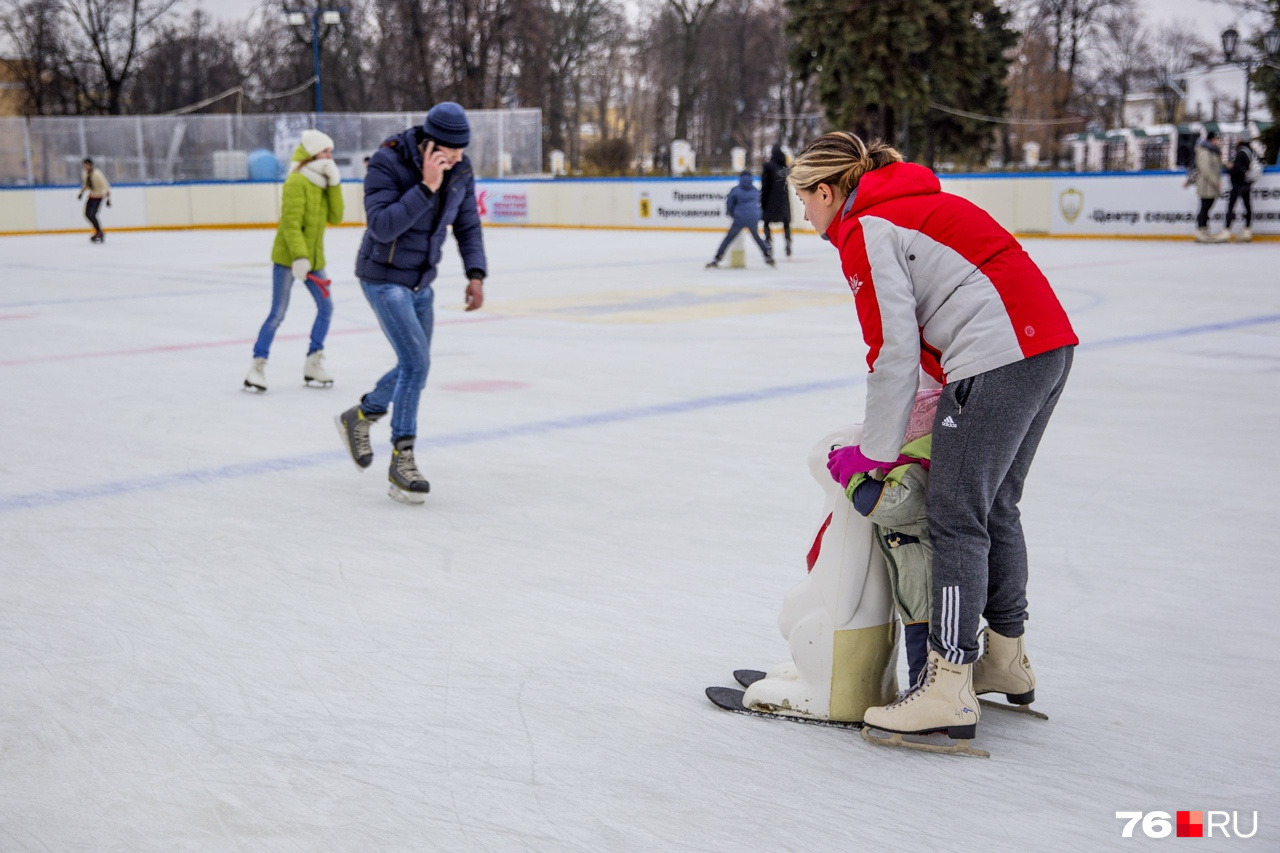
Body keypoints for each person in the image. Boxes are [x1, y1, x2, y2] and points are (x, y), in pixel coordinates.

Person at [787, 131, 1077, 752]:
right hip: (1046, 346)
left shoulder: (867, 227)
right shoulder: (909, 206)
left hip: (997, 355)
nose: (805, 216)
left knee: (953, 514)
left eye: (804, 200)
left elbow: (890, 349)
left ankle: (947, 683)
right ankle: (1004, 657)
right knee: (996, 504)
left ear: (826, 190)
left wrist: (876, 452)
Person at [334, 102, 486, 505]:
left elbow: (468, 223)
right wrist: (426, 187)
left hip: (422, 282)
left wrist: (476, 273)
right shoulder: (387, 162)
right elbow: (382, 227)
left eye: (461, 153)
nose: (457, 159)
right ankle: (403, 460)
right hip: (383, 278)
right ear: (429, 144)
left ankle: (362, 415)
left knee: (412, 365)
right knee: (416, 364)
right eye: (450, 152)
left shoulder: (461, 170)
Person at [846, 388, 941, 688]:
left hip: (924, 594)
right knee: (925, 647)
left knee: (923, 650)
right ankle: (927, 692)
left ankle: (924, 696)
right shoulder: (916, 468)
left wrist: (851, 477)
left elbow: (884, 506)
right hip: (918, 587)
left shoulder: (916, 475)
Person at [244, 129, 344, 392]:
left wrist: (334, 184)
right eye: (326, 152)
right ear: (313, 154)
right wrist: (299, 258)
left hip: (314, 259)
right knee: (278, 313)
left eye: (331, 153)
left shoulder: (323, 182)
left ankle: (313, 363)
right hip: (289, 258)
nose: (330, 157)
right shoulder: (296, 181)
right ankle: (257, 366)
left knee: (326, 308)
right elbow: (290, 225)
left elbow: (337, 216)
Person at [706, 171, 775, 268]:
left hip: (740, 217)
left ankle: (717, 258)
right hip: (753, 217)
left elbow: (729, 204)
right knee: (756, 237)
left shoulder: (735, 190)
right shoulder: (755, 190)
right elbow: (758, 203)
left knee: (729, 238)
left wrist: (732, 214)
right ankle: (767, 256)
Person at [1188, 131, 1229, 243]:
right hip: (1206, 185)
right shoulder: (1204, 151)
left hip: (1211, 185)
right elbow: (1205, 168)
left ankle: (1204, 229)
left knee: (1208, 207)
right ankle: (1201, 230)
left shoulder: (1214, 152)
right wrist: (1215, 181)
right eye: (1216, 139)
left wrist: (1226, 164)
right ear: (1212, 139)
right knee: (1204, 207)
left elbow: (1217, 165)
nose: (1218, 142)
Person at [760, 145, 792, 257]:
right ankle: (788, 242)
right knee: (786, 222)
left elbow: (765, 185)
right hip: (783, 199)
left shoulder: (768, 166)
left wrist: (762, 200)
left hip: (770, 199)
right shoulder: (784, 167)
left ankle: (768, 242)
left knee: (766, 222)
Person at [1224, 137, 1258, 242]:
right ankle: (1247, 230)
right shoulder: (1250, 151)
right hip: (1246, 183)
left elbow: (1237, 170)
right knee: (1247, 206)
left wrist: (1229, 168)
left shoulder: (1241, 152)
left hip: (1238, 183)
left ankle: (1227, 230)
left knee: (1231, 206)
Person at [77, 158, 110, 243]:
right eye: (84, 165)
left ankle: (99, 232)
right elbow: (86, 184)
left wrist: (107, 194)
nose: (85, 167)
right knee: (87, 214)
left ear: (90, 165)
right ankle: (98, 231)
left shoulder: (96, 174)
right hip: (91, 196)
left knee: (92, 214)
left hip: (98, 196)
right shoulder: (85, 173)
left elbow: (104, 183)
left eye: (86, 165)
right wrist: (82, 192)